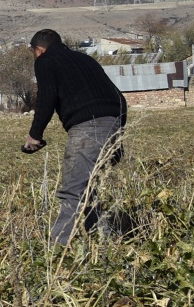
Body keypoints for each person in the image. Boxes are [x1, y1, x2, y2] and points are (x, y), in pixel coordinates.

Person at [23, 28, 127, 244]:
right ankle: (104, 245)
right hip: (114, 124)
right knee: (87, 190)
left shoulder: (45, 61)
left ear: (39, 50)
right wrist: (119, 136)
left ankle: (58, 248)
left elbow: (46, 99)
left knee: (73, 190)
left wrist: (34, 136)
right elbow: (119, 97)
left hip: (88, 128)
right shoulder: (85, 59)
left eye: (34, 53)